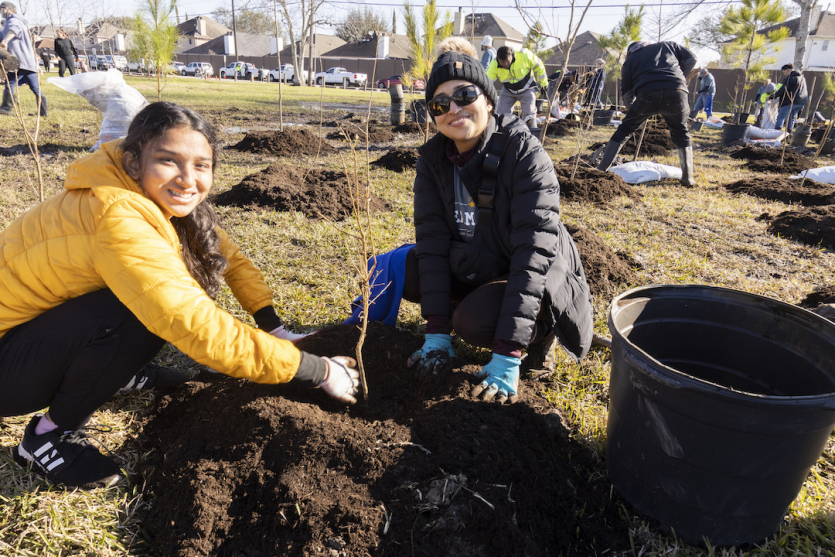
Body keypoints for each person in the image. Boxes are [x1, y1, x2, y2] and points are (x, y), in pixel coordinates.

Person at [1, 101, 360, 490]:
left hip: (28, 335)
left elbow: (231, 260)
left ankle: (112, 370)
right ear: (134, 162)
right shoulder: (117, 214)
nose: (188, 179)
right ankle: (48, 436)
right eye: (168, 161)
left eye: (201, 165)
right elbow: (190, 321)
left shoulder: (153, 199)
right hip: (7, 369)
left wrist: (274, 329)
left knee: (151, 294)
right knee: (143, 310)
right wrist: (317, 370)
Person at [407, 37, 593, 404]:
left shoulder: (524, 154)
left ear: (489, 100)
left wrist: (508, 350)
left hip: (535, 272)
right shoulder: (433, 161)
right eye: (440, 104)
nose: (453, 109)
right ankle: (469, 313)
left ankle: (540, 335)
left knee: (472, 322)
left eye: (464, 95)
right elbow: (432, 243)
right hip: (482, 259)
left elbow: (533, 256)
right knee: (408, 270)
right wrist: (437, 333)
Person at [597, 41, 699, 187]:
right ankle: (688, 178)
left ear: (630, 52)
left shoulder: (630, 61)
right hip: (677, 92)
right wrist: (681, 76)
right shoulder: (667, 46)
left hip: (647, 95)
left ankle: (601, 171)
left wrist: (634, 112)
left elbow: (627, 94)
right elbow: (692, 59)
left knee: (624, 131)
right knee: (682, 133)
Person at [0, 1, 47, 117]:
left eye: (1, 9)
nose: (0, 12)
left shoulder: (14, 20)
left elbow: (14, 30)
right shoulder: (9, 23)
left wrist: (5, 41)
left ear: (7, 9)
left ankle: (6, 108)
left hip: (19, 61)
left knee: (9, 82)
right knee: (35, 87)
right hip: (28, 62)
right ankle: (43, 111)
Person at [486, 45, 548, 126]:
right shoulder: (494, 64)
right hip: (508, 90)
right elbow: (487, 81)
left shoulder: (524, 55)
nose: (506, 64)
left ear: (511, 54)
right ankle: (502, 131)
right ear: (498, 59)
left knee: (530, 114)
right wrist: (485, 95)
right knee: (500, 115)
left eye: (508, 61)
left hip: (527, 88)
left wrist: (544, 84)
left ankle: (532, 129)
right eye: (503, 63)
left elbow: (539, 66)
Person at [770, 63, 808, 132]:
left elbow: (783, 90)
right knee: (792, 117)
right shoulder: (802, 77)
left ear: (788, 70)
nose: (784, 74)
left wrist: (772, 96)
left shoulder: (790, 78)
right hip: (801, 102)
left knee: (781, 116)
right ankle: (789, 132)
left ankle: (776, 132)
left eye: (784, 72)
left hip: (790, 101)